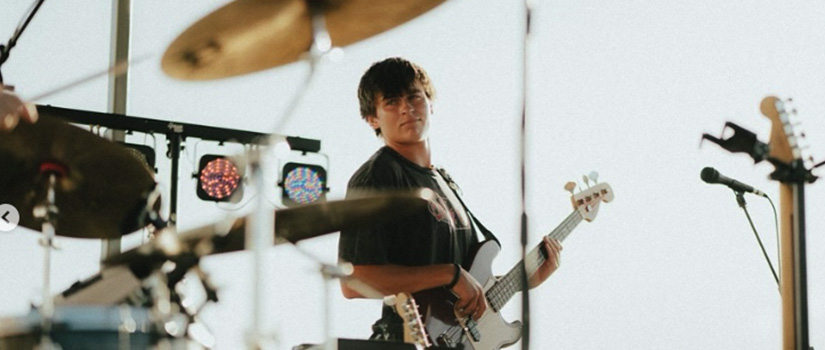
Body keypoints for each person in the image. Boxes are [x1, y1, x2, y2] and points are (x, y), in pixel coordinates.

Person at [338, 57, 562, 342]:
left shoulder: (444, 183)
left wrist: (524, 280)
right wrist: (450, 275)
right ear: (372, 118)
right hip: (408, 340)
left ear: (431, 102)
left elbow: (467, 284)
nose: (406, 108)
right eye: (392, 102)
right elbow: (353, 282)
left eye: (414, 97)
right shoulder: (378, 176)